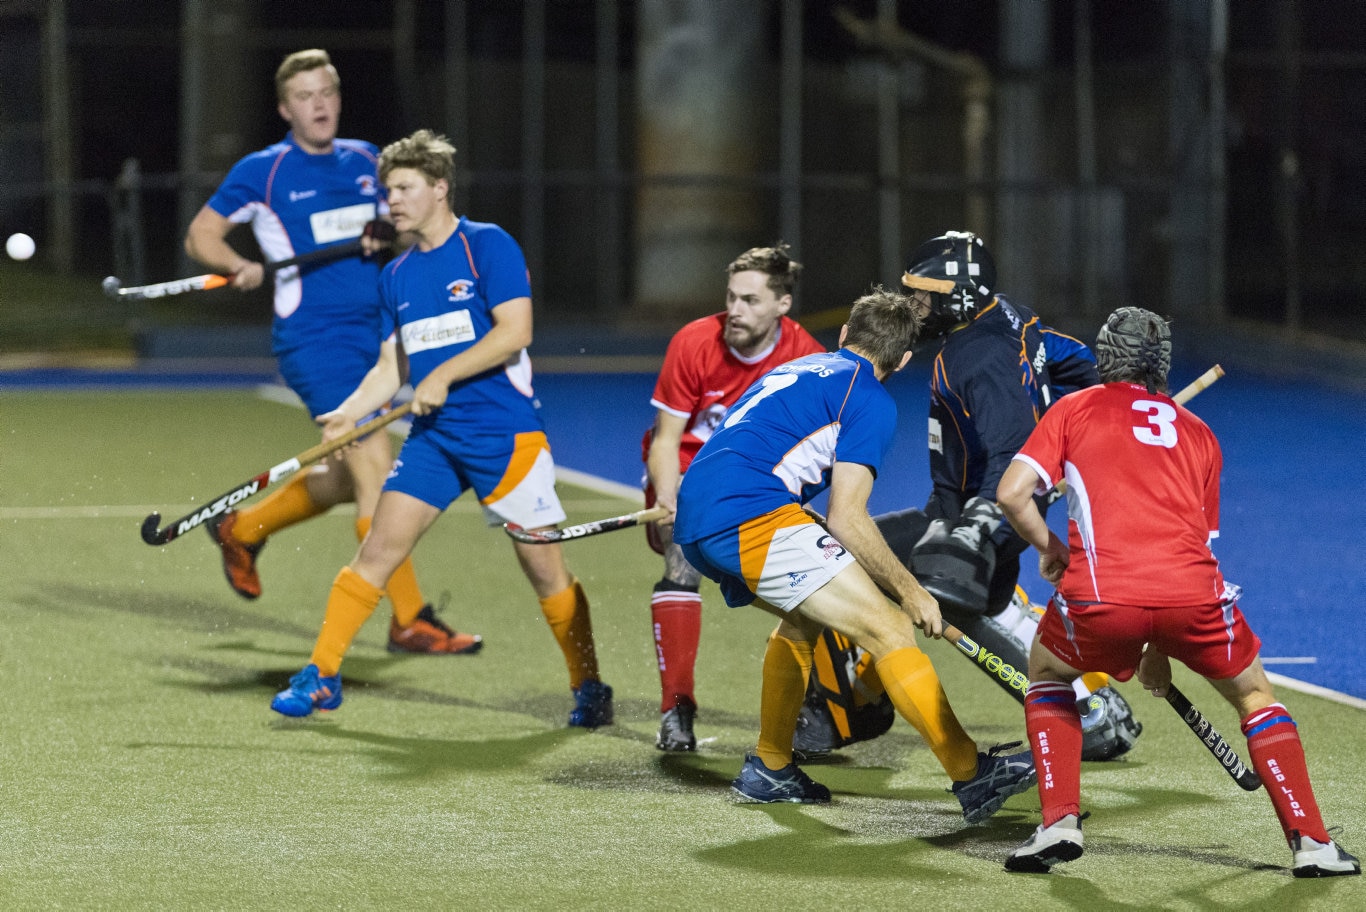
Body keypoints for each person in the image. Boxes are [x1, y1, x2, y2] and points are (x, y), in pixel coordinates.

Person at [996, 306, 1359, 876]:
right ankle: (1312, 845)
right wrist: (1160, 648)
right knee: (1255, 695)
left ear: (1105, 358)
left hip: (1099, 596)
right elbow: (1198, 546)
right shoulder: (1199, 435)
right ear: (1161, 367)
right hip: (1194, 595)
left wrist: (1053, 550)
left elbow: (1013, 495)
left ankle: (1058, 823)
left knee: (1047, 674)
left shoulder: (1072, 409)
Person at [270, 129, 613, 729]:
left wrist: (444, 375)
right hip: (434, 440)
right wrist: (350, 413)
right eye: (387, 190)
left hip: (503, 434)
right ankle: (321, 674)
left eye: (404, 188)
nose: (392, 201)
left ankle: (588, 684)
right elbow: (390, 367)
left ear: (439, 189)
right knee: (377, 549)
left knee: (544, 567)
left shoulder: (487, 246)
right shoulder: (396, 275)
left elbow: (516, 331)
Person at [673, 287, 1037, 823]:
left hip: (700, 511)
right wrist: (911, 592)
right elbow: (849, 517)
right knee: (889, 630)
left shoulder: (801, 367)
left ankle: (770, 768)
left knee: (802, 621)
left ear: (844, 335)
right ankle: (972, 775)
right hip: (749, 516)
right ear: (904, 360)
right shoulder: (870, 398)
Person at [796, 231, 1141, 763]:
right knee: (936, 587)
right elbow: (1076, 363)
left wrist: (973, 532)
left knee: (852, 564)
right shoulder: (1006, 315)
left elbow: (1011, 452)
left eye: (923, 294)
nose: (915, 305)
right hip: (965, 507)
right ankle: (1089, 703)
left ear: (957, 295)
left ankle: (849, 710)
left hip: (982, 510)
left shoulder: (976, 357)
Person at [183, 48, 478, 656]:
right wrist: (237, 265)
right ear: (285, 109)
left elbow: (407, 226)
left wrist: (386, 231)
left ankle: (244, 528)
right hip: (315, 344)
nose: (319, 105)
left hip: (378, 339)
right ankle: (408, 619)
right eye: (305, 97)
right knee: (377, 466)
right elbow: (201, 235)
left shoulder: (368, 161)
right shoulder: (264, 171)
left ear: (338, 99)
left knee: (345, 477)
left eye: (327, 93)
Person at [642, 243, 824, 751]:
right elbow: (664, 441)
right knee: (681, 561)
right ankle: (676, 709)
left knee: (820, 586)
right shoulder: (694, 341)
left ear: (782, 305)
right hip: (685, 471)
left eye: (749, 300)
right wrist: (668, 496)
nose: (735, 312)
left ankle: (820, 704)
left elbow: (810, 453)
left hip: (757, 484)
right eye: (731, 298)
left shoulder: (806, 359)